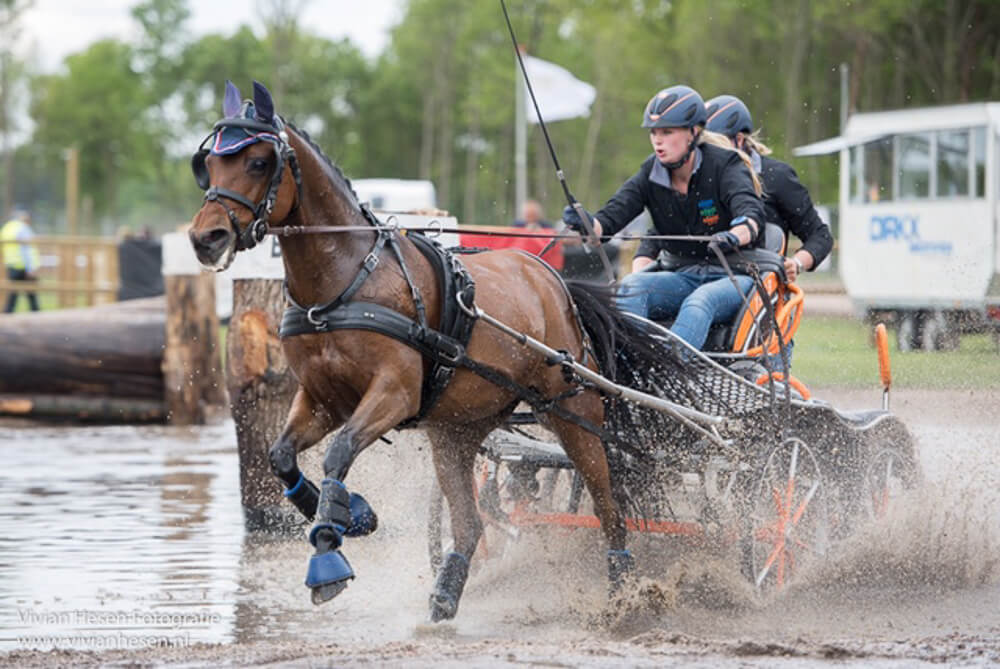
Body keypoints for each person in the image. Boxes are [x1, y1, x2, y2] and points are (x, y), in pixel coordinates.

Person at [562, 84, 765, 351]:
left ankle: (666, 371)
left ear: (693, 132)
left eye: (667, 132)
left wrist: (734, 235)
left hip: (733, 277)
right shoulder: (651, 172)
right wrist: (587, 222)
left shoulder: (725, 164)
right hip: (680, 275)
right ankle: (631, 365)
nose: (658, 140)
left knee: (699, 302)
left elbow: (750, 216)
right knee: (631, 286)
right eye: (654, 133)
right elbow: (609, 220)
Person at [701, 94, 833, 281]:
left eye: (714, 144)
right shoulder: (696, 177)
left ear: (739, 139)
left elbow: (820, 236)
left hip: (756, 285)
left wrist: (796, 263)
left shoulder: (777, 177)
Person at [2, 209, 40, 313]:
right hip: (24, 267)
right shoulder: (23, 228)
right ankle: (38, 319)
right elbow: (26, 250)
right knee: (32, 296)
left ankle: (7, 317)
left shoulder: (7, 228)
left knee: (12, 296)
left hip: (11, 265)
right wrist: (31, 268)